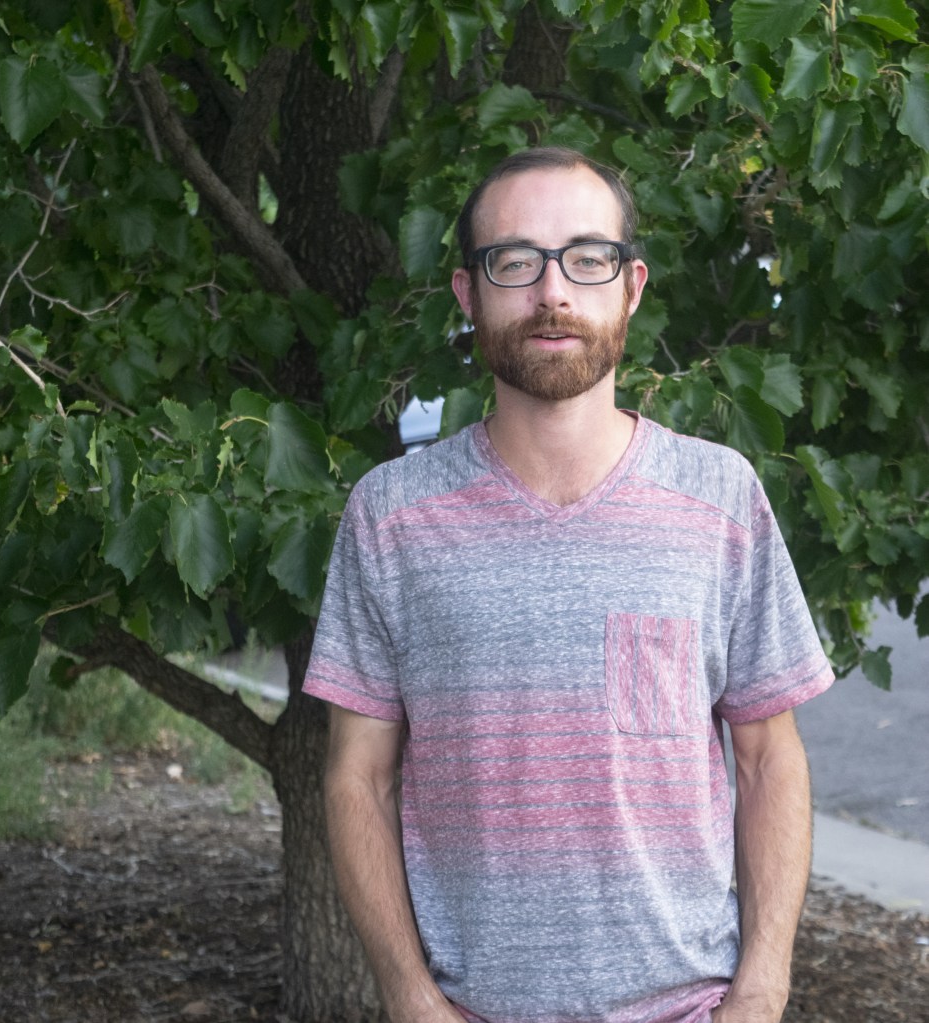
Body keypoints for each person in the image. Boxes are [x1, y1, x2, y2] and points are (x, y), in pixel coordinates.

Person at [303, 146, 835, 1023]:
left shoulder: (720, 498)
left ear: (630, 287)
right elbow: (358, 776)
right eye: (515, 261)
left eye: (587, 259)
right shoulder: (391, 516)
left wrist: (762, 991)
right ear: (468, 294)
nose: (553, 292)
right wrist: (408, 995)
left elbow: (768, 757)